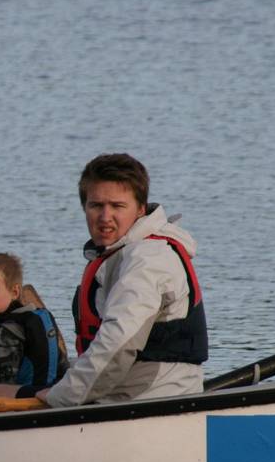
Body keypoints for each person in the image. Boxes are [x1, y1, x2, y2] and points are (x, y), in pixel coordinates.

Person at [41, 152, 208, 405]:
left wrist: (61, 396)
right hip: (129, 393)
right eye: (96, 205)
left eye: (117, 206)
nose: (105, 217)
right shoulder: (121, 254)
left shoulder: (148, 259)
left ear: (141, 209)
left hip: (153, 401)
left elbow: (118, 343)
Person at [0, 253, 68, 396]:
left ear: (15, 292)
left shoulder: (5, 331)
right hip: (50, 399)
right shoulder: (38, 318)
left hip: (20, 407)